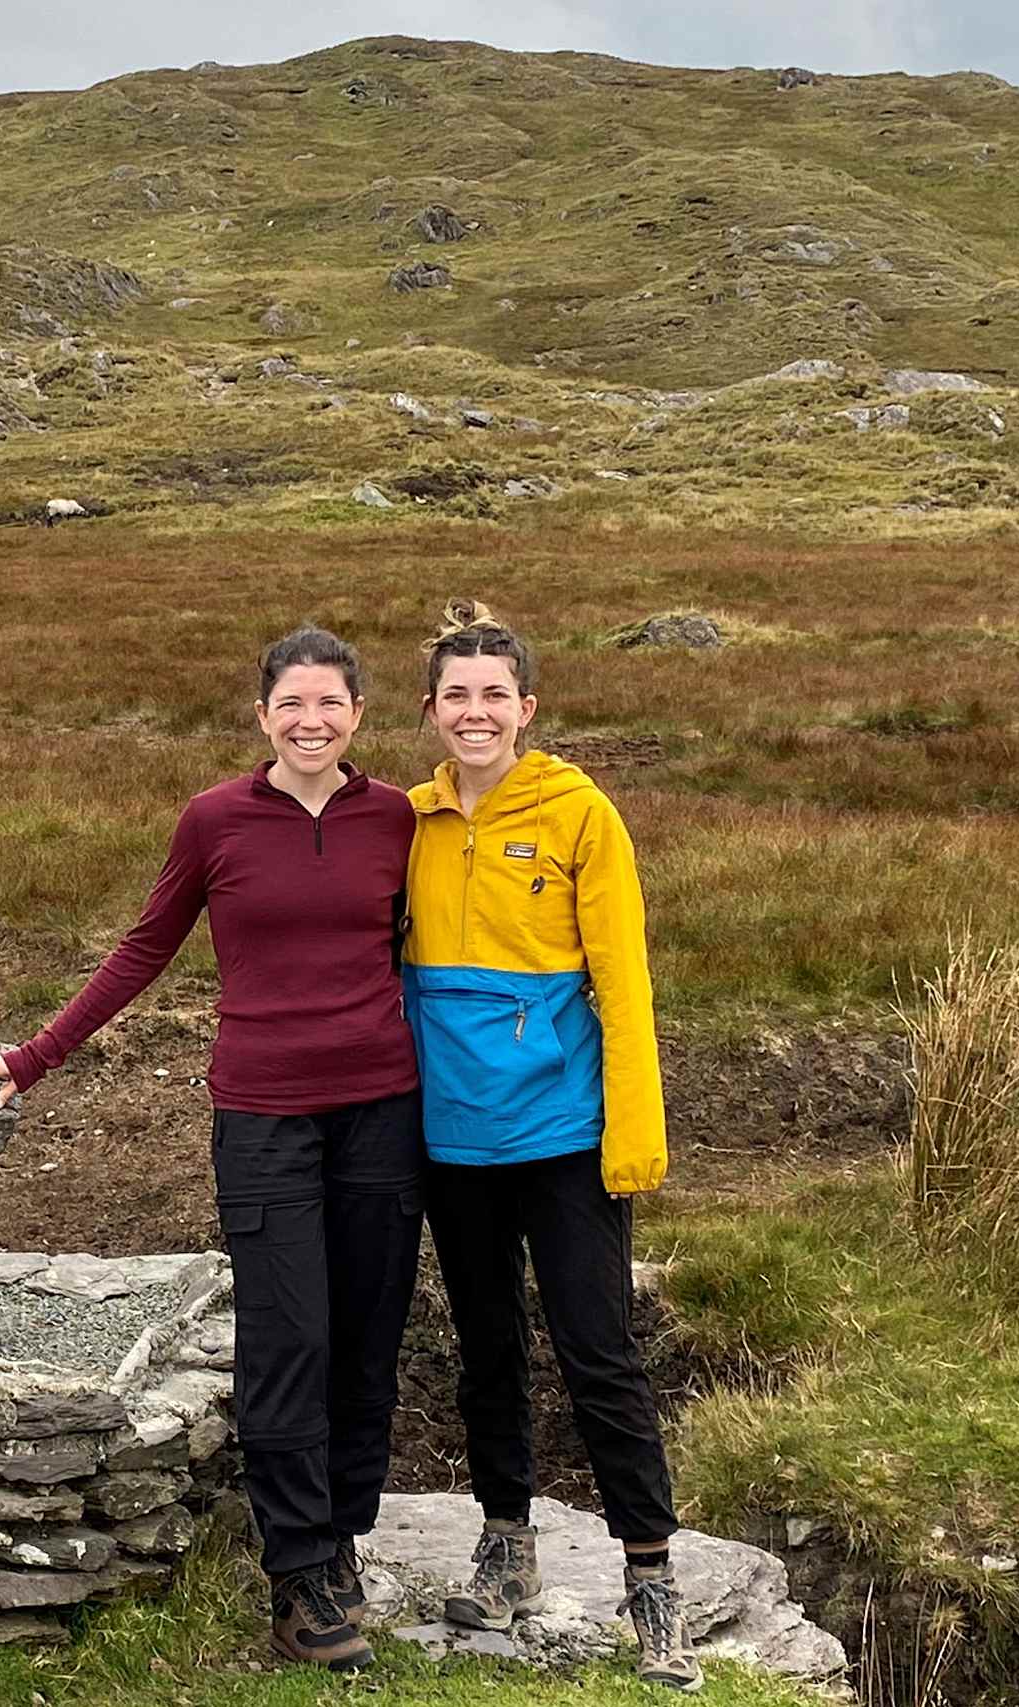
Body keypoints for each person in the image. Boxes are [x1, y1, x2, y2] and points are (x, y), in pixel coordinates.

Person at [0, 626, 420, 1672]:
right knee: (289, 1337)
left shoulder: (396, 817)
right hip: (260, 1117)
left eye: (331, 705)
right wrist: (35, 1056)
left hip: (384, 1114)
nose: (311, 721)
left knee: (367, 1341)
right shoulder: (214, 821)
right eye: (291, 704)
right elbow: (145, 946)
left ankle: (343, 1536)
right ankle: (296, 1574)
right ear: (262, 716)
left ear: (357, 716)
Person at [400, 600, 699, 1690]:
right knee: (485, 1352)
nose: (474, 713)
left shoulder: (580, 816)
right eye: (455, 696)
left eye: (494, 695)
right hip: (448, 1144)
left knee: (598, 1355)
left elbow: (624, 982)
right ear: (430, 712)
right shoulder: (409, 823)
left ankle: (652, 1583)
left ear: (526, 709)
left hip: (565, 1138)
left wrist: (635, 1136)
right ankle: (505, 1543)